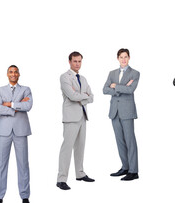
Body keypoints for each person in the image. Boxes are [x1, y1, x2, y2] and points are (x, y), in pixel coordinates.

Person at [0, 65, 33, 203]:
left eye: (16, 72)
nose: (13, 74)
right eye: (11, 72)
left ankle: (25, 197)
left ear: (19, 74)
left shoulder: (26, 89)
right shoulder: (0, 90)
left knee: (23, 165)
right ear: (7, 74)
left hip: (21, 131)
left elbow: (28, 105)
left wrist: (9, 104)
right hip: (4, 131)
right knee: (1, 165)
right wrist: (17, 106)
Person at [56, 51, 95, 190]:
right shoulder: (64, 77)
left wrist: (81, 95)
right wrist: (83, 95)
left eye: (79, 61)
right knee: (67, 148)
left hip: (83, 116)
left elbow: (92, 97)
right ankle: (61, 179)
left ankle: (80, 173)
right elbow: (72, 96)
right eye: (75, 61)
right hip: (71, 118)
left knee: (80, 147)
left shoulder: (83, 78)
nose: (77, 64)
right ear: (69, 62)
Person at [103, 48, 140, 181]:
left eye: (126, 57)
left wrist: (115, 86)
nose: (123, 59)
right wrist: (120, 87)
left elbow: (131, 90)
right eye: (121, 57)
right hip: (114, 111)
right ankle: (125, 167)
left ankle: (133, 171)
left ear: (129, 58)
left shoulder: (135, 73)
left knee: (130, 141)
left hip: (127, 111)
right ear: (117, 58)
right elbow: (104, 90)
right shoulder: (112, 73)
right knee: (120, 141)